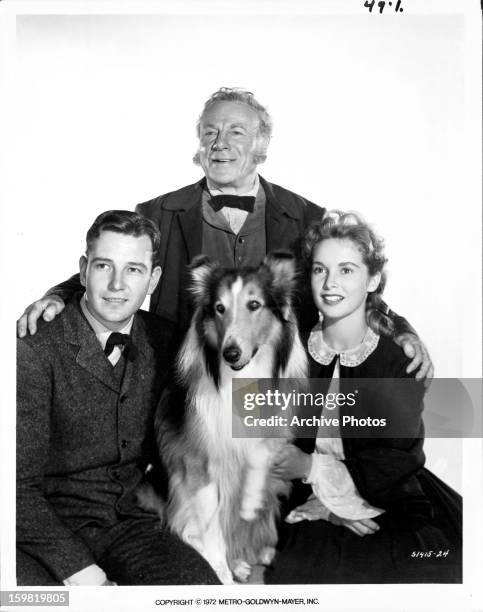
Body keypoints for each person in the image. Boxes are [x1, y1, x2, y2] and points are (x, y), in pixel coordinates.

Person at [16, 88, 432, 379]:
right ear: (198, 146)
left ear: (261, 147)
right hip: (184, 393)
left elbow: (350, 286)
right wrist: (58, 296)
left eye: (236, 132)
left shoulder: (306, 215)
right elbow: (113, 267)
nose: (220, 143)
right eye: (210, 133)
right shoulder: (158, 212)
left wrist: (400, 329)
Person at [16, 210, 219, 586]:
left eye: (134, 270)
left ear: (153, 279)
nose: (116, 285)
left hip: (127, 525)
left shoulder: (165, 340)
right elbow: (13, 488)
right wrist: (81, 572)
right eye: (103, 266)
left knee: (203, 595)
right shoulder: (34, 347)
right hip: (38, 533)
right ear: (83, 270)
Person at [266, 211, 462, 584]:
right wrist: (317, 497)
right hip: (293, 498)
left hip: (386, 496)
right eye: (320, 270)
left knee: (427, 566)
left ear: (373, 279)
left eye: (346, 271)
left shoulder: (395, 361)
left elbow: (399, 456)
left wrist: (316, 472)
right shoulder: (290, 351)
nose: (329, 284)